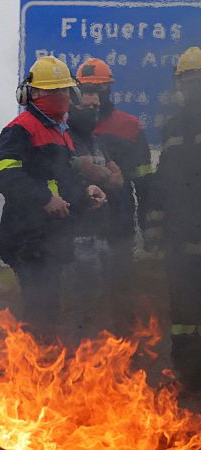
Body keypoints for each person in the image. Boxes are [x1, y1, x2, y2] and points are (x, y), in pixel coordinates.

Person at [0, 55, 106, 340]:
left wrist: (84, 196)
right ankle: (33, 371)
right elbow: (3, 173)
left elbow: (62, 184)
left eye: (65, 91)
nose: (62, 98)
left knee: (50, 312)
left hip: (51, 239)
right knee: (40, 313)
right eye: (54, 92)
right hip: (27, 239)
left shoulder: (59, 132)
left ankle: (43, 367)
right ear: (34, 94)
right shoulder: (21, 128)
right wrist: (44, 199)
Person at [75, 57, 153, 329]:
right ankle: (82, 360)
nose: (93, 96)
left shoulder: (129, 126)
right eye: (86, 90)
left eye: (99, 89)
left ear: (110, 89)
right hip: (79, 228)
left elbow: (144, 183)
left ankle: (123, 357)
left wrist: (149, 226)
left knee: (121, 297)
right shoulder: (67, 127)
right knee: (81, 302)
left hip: (118, 226)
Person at [148, 46, 201, 394]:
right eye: (187, 79)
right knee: (182, 314)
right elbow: (164, 178)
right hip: (180, 238)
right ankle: (188, 376)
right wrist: (154, 222)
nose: (192, 85)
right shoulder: (173, 126)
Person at [62, 79, 123, 344]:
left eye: (97, 107)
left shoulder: (97, 142)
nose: (94, 112)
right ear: (74, 107)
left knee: (100, 308)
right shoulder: (65, 139)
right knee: (77, 309)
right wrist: (97, 172)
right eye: (88, 107)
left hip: (102, 235)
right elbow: (94, 171)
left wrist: (98, 172)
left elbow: (118, 178)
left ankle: (93, 366)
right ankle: (72, 365)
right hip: (76, 238)